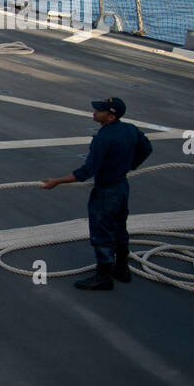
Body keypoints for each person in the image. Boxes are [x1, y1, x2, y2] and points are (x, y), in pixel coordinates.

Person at [41, 96, 153, 290]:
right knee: (119, 227)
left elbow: (86, 171)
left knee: (102, 233)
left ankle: (103, 276)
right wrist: (129, 165)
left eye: (99, 110)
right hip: (121, 186)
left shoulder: (103, 139)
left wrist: (57, 182)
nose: (94, 112)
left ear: (110, 116)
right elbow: (146, 148)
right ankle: (121, 268)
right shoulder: (130, 129)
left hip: (106, 191)